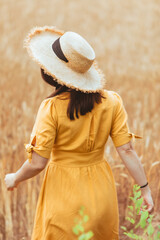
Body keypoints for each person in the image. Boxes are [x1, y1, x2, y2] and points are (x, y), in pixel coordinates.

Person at [4, 26, 154, 240]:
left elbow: (37, 163)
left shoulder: (52, 107)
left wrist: (15, 178)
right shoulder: (112, 101)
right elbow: (127, 150)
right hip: (101, 193)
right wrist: (145, 188)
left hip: (64, 193)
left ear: (50, 72)